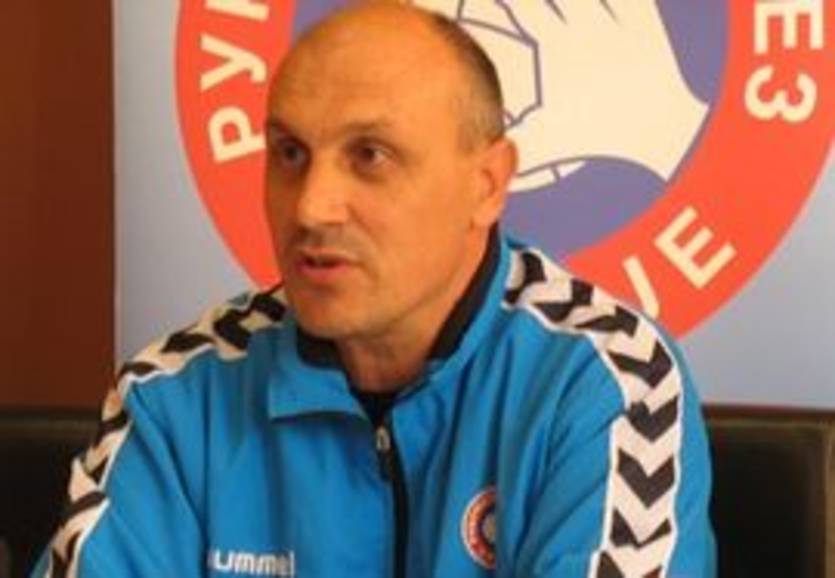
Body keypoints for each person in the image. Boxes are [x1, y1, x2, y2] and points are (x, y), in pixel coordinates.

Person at [33, 2, 715, 577]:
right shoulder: (174, 398)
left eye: (370, 156)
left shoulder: (604, 382)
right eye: (290, 153)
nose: (311, 207)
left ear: (486, 185)